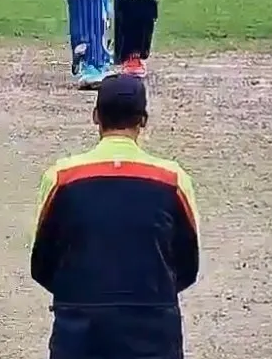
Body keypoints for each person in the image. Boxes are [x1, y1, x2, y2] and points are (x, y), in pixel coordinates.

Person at [31, 74, 200, 359]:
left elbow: (43, 263)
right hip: (153, 328)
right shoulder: (173, 180)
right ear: (143, 120)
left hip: (80, 329)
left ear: (96, 116)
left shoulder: (61, 177)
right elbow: (187, 264)